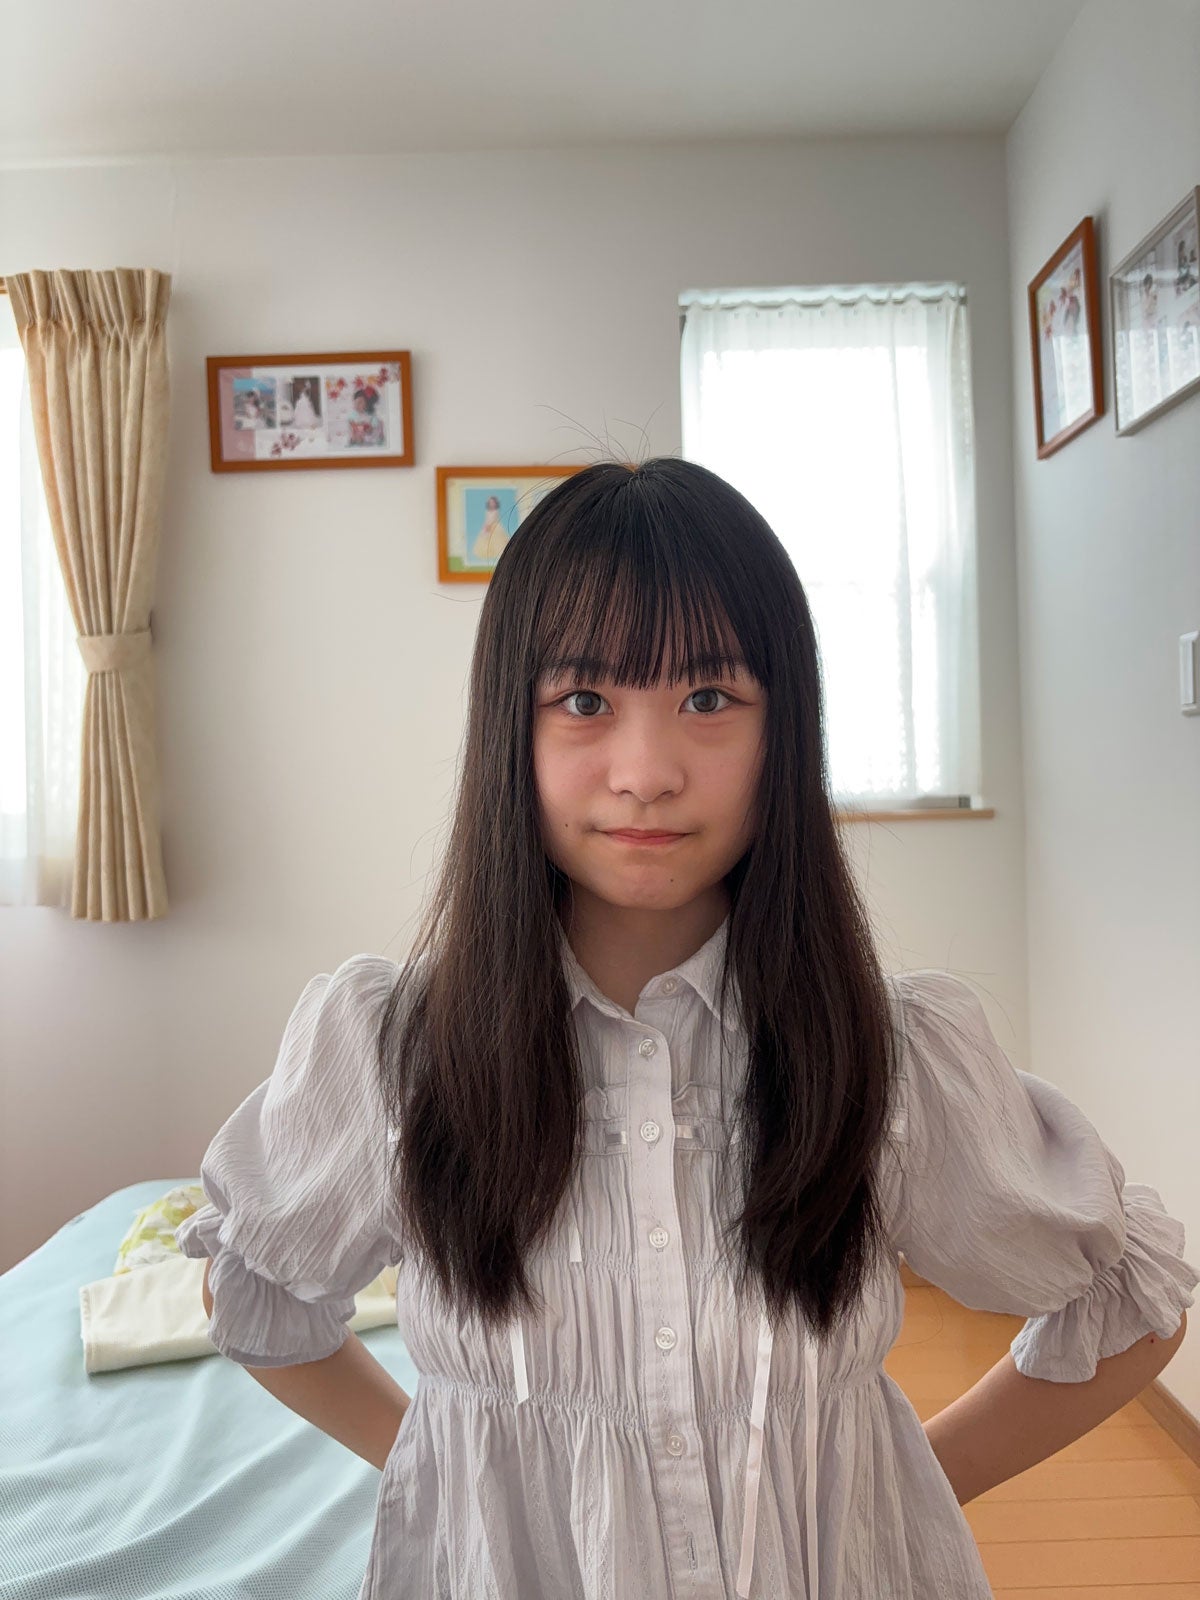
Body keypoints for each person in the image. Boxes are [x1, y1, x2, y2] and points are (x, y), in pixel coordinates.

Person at [177, 457, 1197, 1598]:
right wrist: (439, 1462)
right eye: (584, 701)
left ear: (783, 728)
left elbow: (1129, 1307)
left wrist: (904, 1479)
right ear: (509, 727)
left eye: (709, 699)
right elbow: (260, 1291)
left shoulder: (888, 1056)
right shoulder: (393, 1052)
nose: (647, 773)